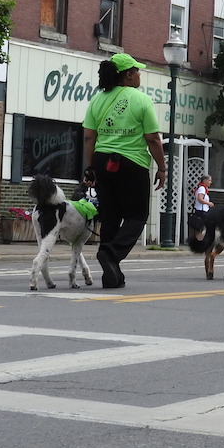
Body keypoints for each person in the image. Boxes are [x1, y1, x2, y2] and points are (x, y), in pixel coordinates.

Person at [82, 52, 166, 289]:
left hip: (102, 161)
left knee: (111, 217)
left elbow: (89, 137)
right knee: (137, 216)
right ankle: (110, 254)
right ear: (128, 75)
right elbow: (153, 139)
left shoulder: (97, 100)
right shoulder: (141, 99)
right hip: (132, 163)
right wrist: (162, 167)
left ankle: (112, 274)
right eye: (136, 71)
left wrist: (90, 167)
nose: (139, 74)